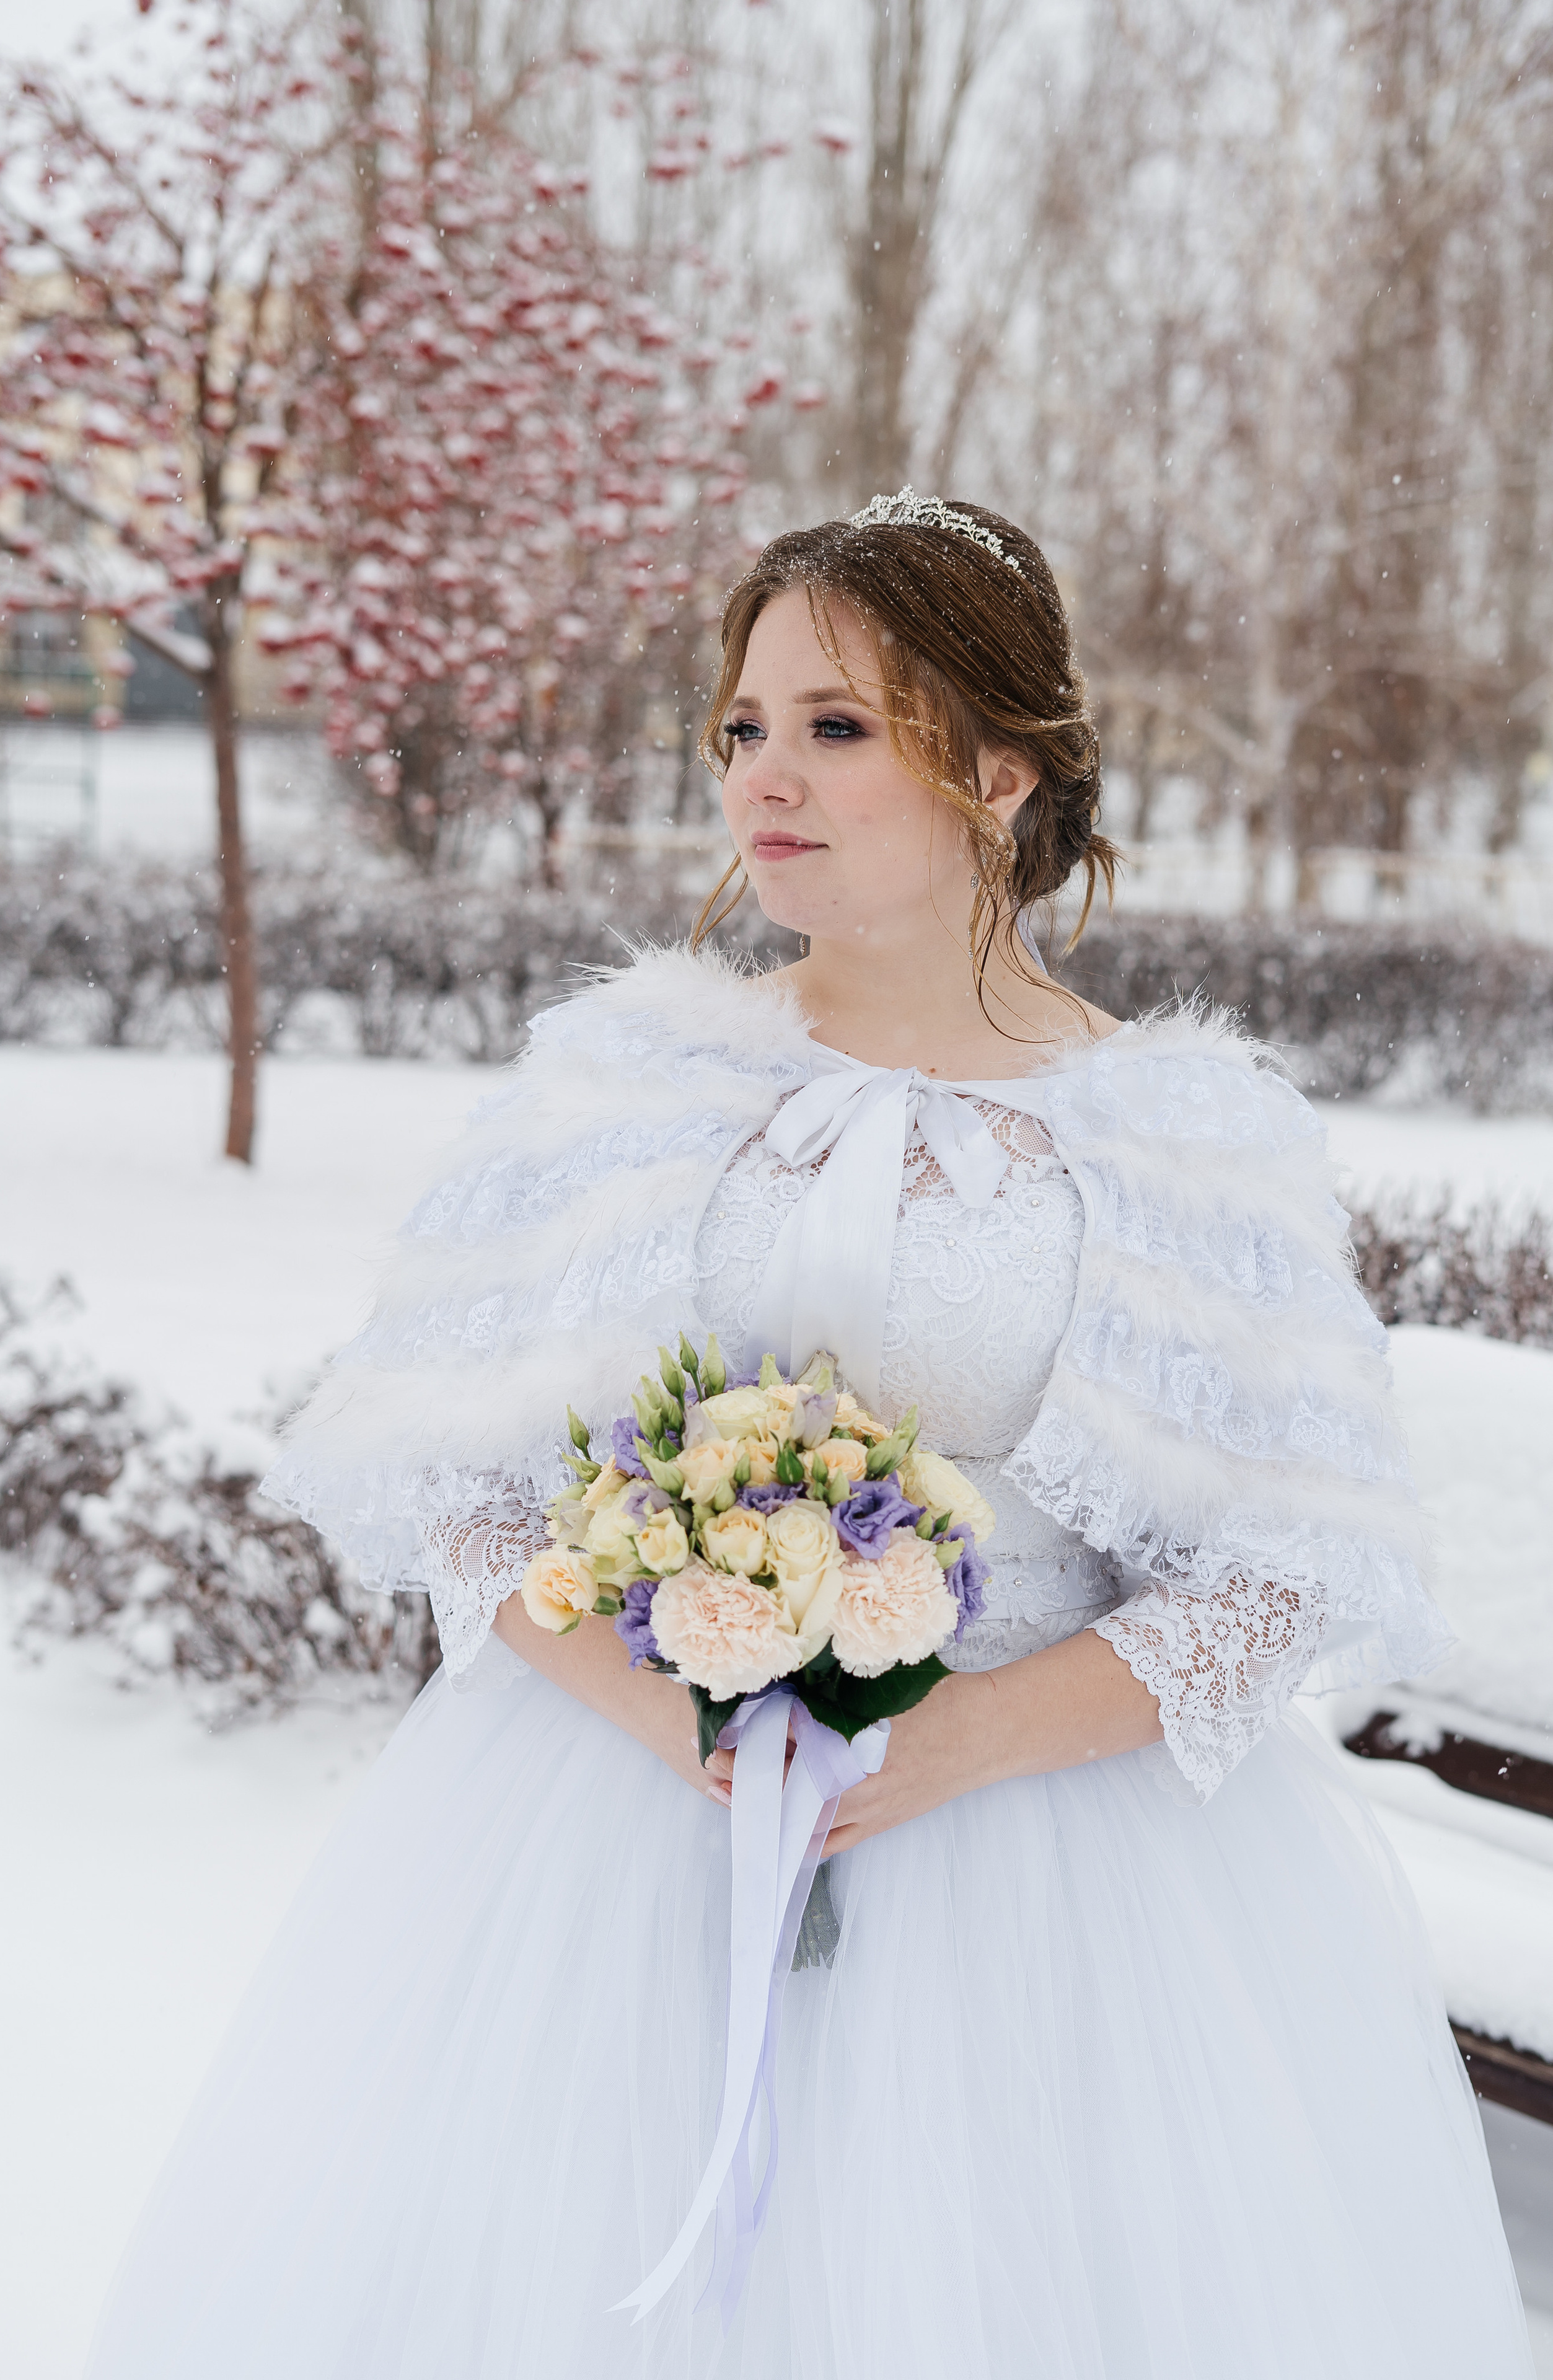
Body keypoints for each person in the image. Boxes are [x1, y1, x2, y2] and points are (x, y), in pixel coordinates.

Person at [83, 494, 1534, 2380]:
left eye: (838, 727)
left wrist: (966, 1739)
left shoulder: (1177, 1139)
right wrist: (662, 1706)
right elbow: (446, 1465)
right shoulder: (639, 1075)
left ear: (1003, 768)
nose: (768, 776)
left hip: (1056, 1894)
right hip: (616, 1848)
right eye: (744, 728)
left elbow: (1286, 1574)